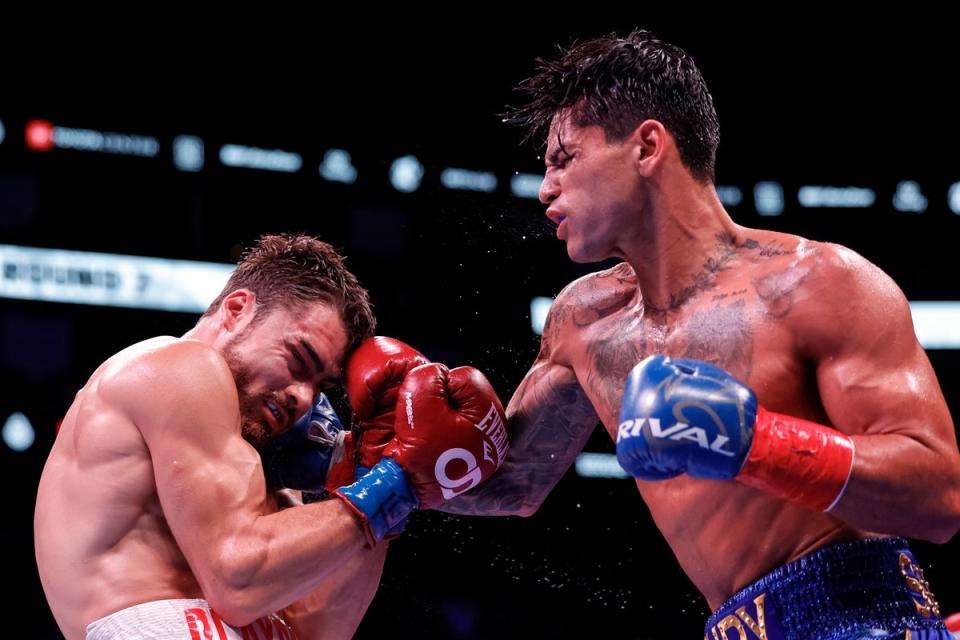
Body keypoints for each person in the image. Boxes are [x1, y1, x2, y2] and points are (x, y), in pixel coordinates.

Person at [442, 30, 960, 639]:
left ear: (647, 146)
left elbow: (939, 495)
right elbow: (509, 483)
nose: (544, 188)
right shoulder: (582, 322)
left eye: (564, 159)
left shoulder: (815, 284)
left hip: (861, 618)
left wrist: (752, 441)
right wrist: (354, 462)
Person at [35, 233, 509, 640]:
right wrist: (391, 481)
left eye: (322, 387)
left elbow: (319, 628)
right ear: (238, 309)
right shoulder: (179, 367)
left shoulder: (257, 459)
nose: (304, 398)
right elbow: (236, 583)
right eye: (298, 359)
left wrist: (371, 472)